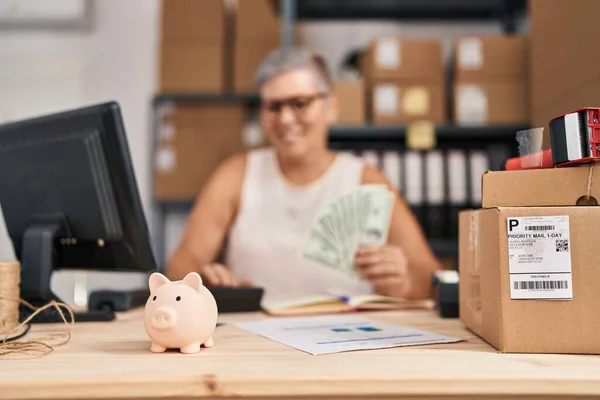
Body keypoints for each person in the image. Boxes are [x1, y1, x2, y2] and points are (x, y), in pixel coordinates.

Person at [166, 47, 442, 300]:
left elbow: (431, 276)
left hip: (346, 341)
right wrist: (201, 280)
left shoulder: (366, 180)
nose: (285, 119)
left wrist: (402, 282)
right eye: (273, 107)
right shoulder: (236, 174)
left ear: (331, 107)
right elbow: (181, 262)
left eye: (299, 103)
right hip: (255, 340)